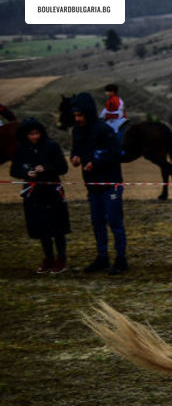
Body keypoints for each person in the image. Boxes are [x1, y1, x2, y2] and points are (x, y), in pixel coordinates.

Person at [69, 92, 128, 275]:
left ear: (88, 112)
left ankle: (121, 259)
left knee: (115, 221)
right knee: (97, 222)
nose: (77, 119)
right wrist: (75, 158)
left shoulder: (104, 129)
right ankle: (102, 257)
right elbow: (74, 151)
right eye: (75, 115)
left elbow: (116, 153)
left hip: (111, 183)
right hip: (92, 185)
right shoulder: (77, 131)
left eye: (80, 115)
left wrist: (96, 163)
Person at [10, 117, 70, 273]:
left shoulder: (52, 146)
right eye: (31, 134)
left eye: (37, 133)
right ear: (25, 135)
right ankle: (48, 258)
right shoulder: (21, 149)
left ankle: (61, 259)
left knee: (57, 227)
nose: (34, 137)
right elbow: (14, 170)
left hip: (52, 192)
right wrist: (26, 172)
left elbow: (63, 168)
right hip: (34, 193)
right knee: (42, 227)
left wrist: (46, 168)